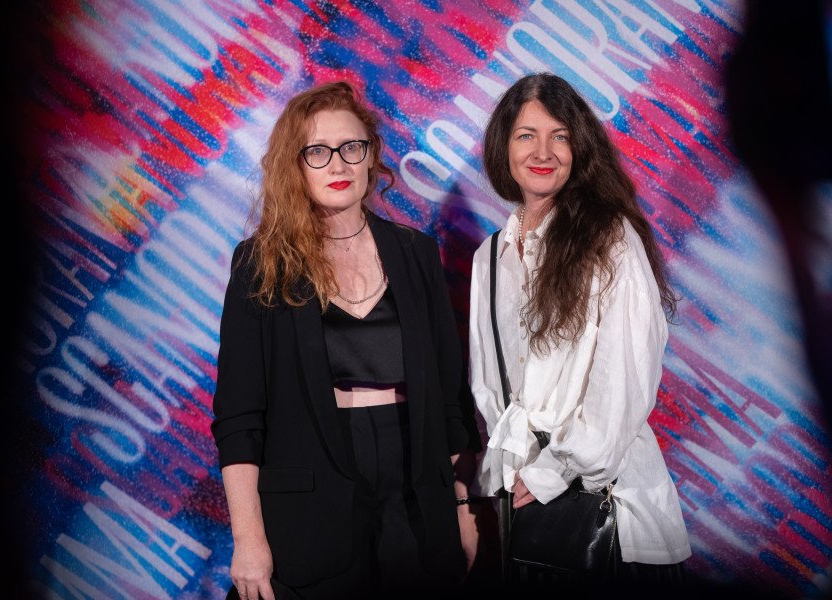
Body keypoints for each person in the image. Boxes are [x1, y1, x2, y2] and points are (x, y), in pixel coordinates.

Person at [211, 81, 475, 600]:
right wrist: (248, 540)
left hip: (416, 496)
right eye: (318, 151)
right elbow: (239, 419)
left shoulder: (416, 253)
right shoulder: (260, 264)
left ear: (371, 157)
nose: (339, 164)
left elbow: (451, 401)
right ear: (295, 165)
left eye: (352, 147)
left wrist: (461, 508)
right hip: (310, 504)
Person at [469, 73, 691, 582]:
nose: (543, 152)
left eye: (560, 136)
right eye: (526, 135)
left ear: (580, 148)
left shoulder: (610, 239)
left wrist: (553, 471)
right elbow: (489, 388)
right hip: (524, 518)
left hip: (609, 523)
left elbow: (625, 383)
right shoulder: (489, 257)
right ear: (504, 146)